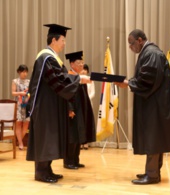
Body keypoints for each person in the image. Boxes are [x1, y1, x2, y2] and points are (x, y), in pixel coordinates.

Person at [115, 29, 170, 185]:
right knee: (155, 138)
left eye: (131, 43)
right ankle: (152, 172)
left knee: (153, 138)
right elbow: (144, 77)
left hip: (156, 105)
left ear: (139, 40)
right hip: (155, 104)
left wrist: (128, 83)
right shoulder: (149, 52)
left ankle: (152, 175)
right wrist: (130, 82)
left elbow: (148, 80)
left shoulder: (151, 53)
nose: (130, 47)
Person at [26, 24, 91, 183]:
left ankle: (47, 169)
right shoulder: (45, 57)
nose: (64, 43)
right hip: (45, 106)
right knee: (46, 137)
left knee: (50, 137)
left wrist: (77, 79)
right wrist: (79, 78)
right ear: (54, 40)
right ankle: (41, 172)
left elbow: (60, 78)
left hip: (51, 105)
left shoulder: (53, 58)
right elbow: (57, 79)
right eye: (63, 40)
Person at [63, 51, 96, 169]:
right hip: (72, 111)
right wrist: (69, 109)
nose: (82, 65)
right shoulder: (68, 77)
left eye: (82, 63)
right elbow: (66, 95)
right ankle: (68, 162)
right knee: (71, 137)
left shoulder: (78, 77)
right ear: (72, 64)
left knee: (78, 136)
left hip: (80, 110)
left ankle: (75, 160)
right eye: (79, 63)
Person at [12, 64, 30, 150]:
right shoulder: (15, 81)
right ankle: (21, 143)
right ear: (19, 72)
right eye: (23, 72)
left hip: (27, 104)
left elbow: (31, 92)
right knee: (18, 123)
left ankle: (19, 141)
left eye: (26, 72)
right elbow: (13, 93)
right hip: (18, 105)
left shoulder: (29, 82)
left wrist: (28, 94)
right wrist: (21, 93)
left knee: (26, 124)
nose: (25, 74)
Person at [80, 64, 95, 149]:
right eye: (82, 69)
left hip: (88, 103)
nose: (83, 71)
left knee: (87, 122)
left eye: (85, 69)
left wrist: (86, 98)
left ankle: (85, 142)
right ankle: (80, 142)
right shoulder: (77, 79)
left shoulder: (90, 80)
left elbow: (93, 92)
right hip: (80, 104)